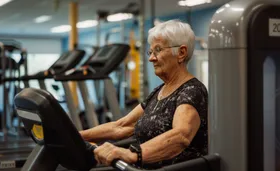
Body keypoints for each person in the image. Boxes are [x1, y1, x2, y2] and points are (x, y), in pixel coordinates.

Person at [80, 19, 208, 169]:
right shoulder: (160, 91)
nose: (151, 58)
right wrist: (76, 135)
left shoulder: (192, 91)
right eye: (151, 51)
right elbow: (121, 126)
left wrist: (133, 155)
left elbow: (180, 136)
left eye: (158, 50)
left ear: (181, 53)